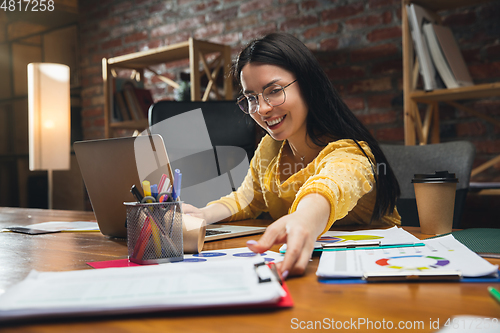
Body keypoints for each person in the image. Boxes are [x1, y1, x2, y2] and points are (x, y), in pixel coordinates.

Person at [183, 32, 401, 278]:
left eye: (274, 91)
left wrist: (304, 219)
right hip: (308, 268)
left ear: (307, 85)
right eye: (251, 98)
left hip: (378, 268)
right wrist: (202, 215)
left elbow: (330, 187)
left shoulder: (349, 152)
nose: (262, 109)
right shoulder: (270, 148)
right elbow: (247, 198)